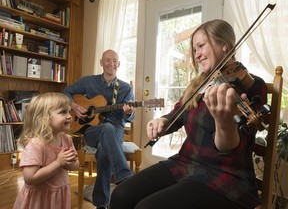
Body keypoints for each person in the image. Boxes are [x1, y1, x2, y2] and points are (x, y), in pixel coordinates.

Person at [109, 19, 267, 209]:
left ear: (225, 45)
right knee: (120, 194)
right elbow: (178, 113)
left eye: (201, 46)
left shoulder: (251, 85)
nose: (197, 54)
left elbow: (232, 149)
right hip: (186, 161)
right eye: (194, 49)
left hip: (225, 173)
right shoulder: (199, 84)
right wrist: (162, 121)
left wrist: (224, 124)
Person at [62, 49, 134, 209]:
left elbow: (130, 118)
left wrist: (128, 113)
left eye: (115, 60)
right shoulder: (89, 82)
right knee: (104, 129)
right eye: (107, 60)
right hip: (91, 131)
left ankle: (101, 204)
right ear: (101, 63)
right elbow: (66, 92)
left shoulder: (125, 88)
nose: (111, 63)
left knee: (104, 148)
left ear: (119, 64)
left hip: (115, 132)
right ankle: (125, 177)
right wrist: (73, 105)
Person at [13, 92, 79, 209]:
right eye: (63, 112)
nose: (69, 116)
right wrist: (58, 163)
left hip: (59, 195)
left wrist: (69, 161)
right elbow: (30, 178)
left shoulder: (67, 139)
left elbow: (75, 166)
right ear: (44, 118)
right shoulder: (36, 144)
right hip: (39, 200)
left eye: (69, 111)